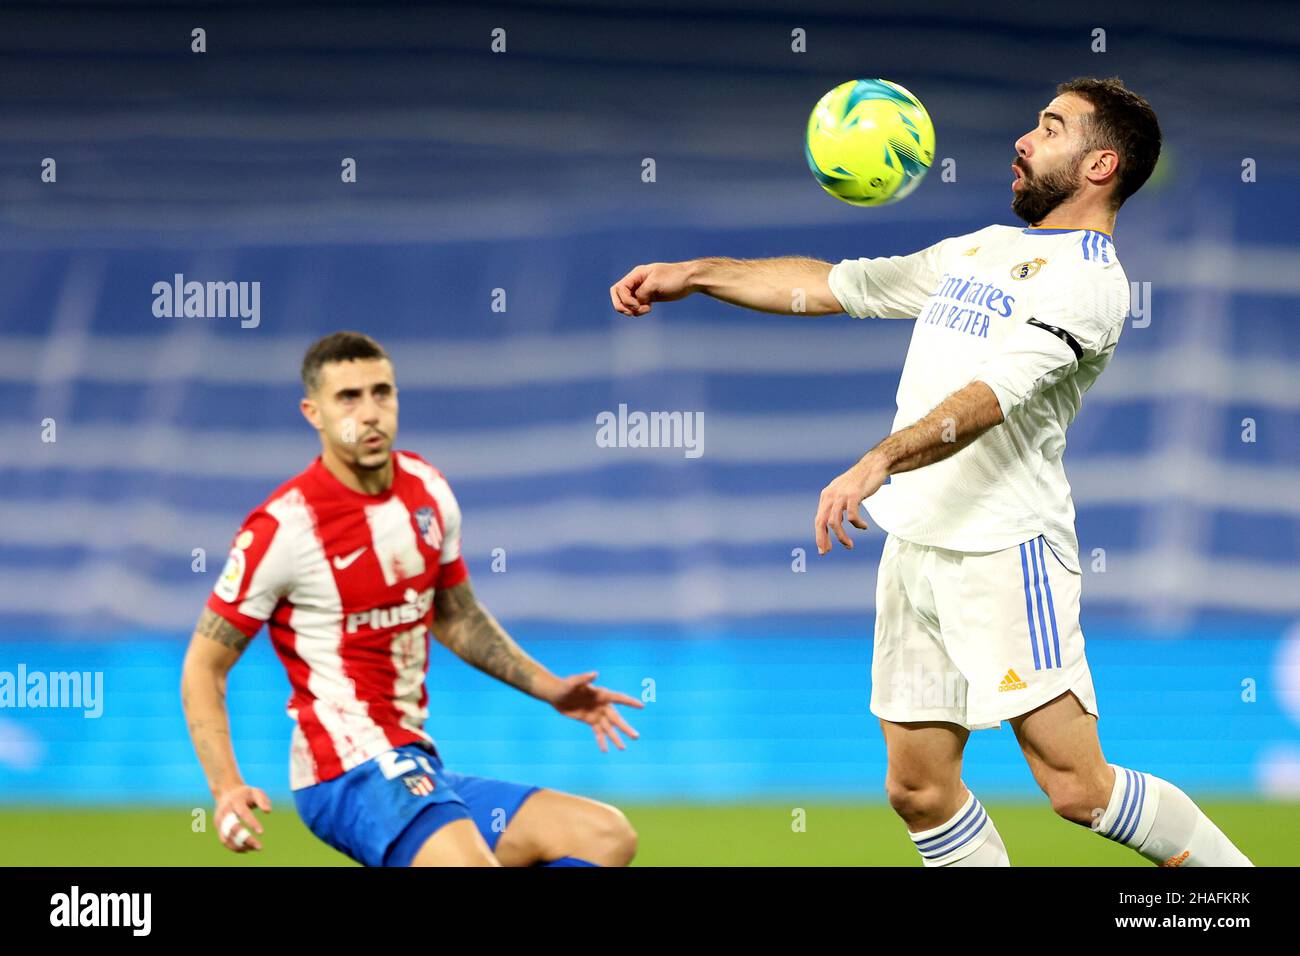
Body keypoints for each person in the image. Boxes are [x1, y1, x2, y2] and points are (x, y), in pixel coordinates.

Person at [609, 76, 1251, 867]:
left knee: (1078, 790)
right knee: (918, 792)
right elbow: (835, 284)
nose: (1024, 139)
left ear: (1099, 165)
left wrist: (880, 458)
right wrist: (700, 273)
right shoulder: (978, 250)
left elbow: (989, 400)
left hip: (1004, 555)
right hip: (915, 546)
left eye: (1050, 128)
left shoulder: (1090, 279)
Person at [181, 331, 641, 866]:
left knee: (603, 836)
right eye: (348, 397)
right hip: (344, 768)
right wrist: (225, 789)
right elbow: (203, 667)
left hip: (414, 758)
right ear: (314, 413)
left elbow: (455, 614)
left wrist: (551, 689)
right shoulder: (283, 528)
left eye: (383, 392)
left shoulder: (427, 490)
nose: (370, 412)